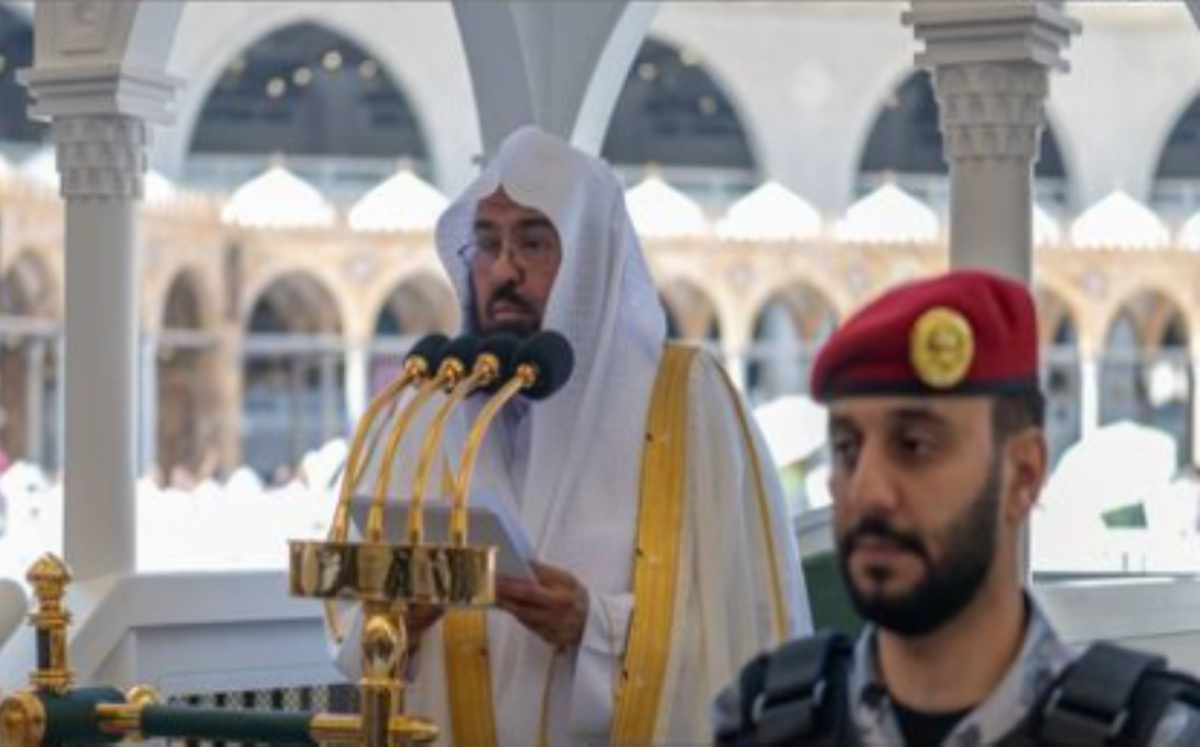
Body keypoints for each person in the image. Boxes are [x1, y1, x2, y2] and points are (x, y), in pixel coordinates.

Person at [334, 126, 811, 746]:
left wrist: (597, 629)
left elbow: (742, 623)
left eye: (533, 242)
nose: (504, 269)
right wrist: (396, 624)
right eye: (486, 243)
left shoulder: (688, 402)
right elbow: (352, 627)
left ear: (588, 258)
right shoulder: (428, 411)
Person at [714, 269, 1200, 746]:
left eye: (915, 445)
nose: (869, 489)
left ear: (1023, 474)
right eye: (847, 448)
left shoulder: (1159, 735)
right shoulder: (759, 723)